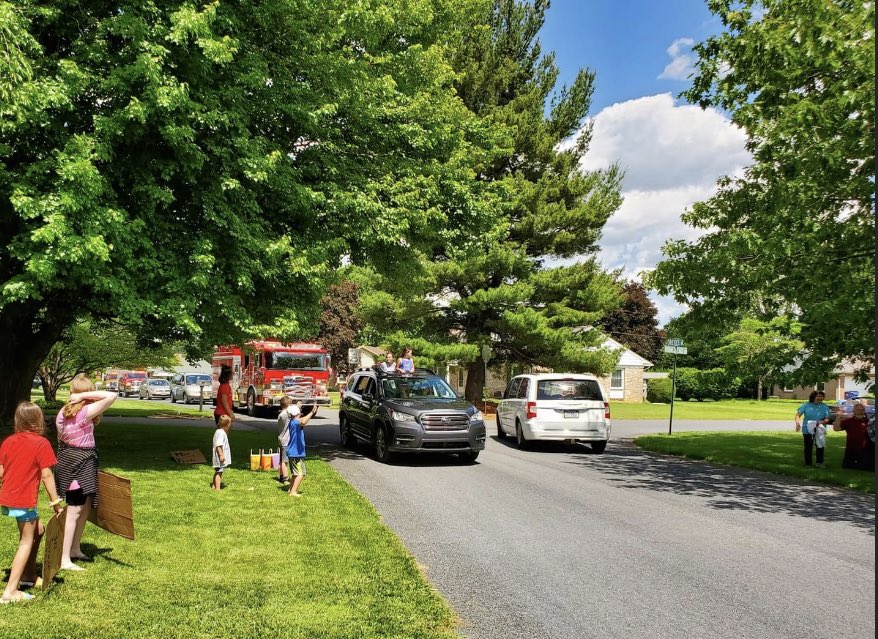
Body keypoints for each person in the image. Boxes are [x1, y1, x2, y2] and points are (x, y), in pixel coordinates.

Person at [0, 402, 64, 603]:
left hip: (8, 499)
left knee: (39, 530)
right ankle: (10, 592)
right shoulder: (41, 443)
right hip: (24, 501)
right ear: (38, 421)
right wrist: (56, 502)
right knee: (26, 541)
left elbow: (1, 471)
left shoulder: (8, 441)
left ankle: (28, 576)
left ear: (18, 420)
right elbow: (46, 475)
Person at [55, 375, 117, 571]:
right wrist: (85, 396)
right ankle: (64, 559)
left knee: (84, 507)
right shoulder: (84, 412)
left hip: (75, 462)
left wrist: (81, 397)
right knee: (74, 510)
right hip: (78, 464)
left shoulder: (63, 412)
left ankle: (74, 549)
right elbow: (112, 395)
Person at [284, 403, 319, 497]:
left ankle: (291, 489)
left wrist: (309, 412)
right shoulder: (296, 423)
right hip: (296, 453)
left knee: (295, 473)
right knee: (301, 473)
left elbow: (302, 420)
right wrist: (312, 412)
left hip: (292, 452)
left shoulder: (293, 421)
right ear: (298, 413)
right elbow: (303, 422)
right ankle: (293, 492)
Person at [795, 390, 831, 468]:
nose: (820, 398)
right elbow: (798, 415)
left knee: (820, 445)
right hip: (807, 428)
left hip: (820, 428)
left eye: (821, 396)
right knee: (808, 446)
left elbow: (827, 419)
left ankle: (819, 462)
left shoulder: (824, 406)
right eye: (818, 396)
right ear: (813, 397)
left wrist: (820, 422)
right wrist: (797, 424)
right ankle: (808, 463)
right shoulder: (806, 405)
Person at [833, 403, 874, 471]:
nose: (860, 412)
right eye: (858, 410)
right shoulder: (848, 421)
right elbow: (836, 428)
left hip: (865, 450)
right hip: (851, 449)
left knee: (867, 468)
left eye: (862, 410)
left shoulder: (868, 421)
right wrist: (838, 417)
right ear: (854, 411)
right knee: (848, 466)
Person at [276, 397, 300, 484]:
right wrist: (297, 408)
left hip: (282, 440)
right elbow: (292, 415)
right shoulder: (285, 415)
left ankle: (280, 476)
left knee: (281, 460)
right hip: (285, 441)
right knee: (284, 461)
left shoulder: (282, 414)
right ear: (288, 405)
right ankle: (285, 478)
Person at [212, 414, 232, 490]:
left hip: (218, 457)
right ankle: (217, 488)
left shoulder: (219, 431)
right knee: (219, 472)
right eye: (230, 424)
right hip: (219, 457)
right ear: (228, 425)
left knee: (218, 471)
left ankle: (214, 486)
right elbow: (218, 445)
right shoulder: (221, 433)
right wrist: (221, 455)